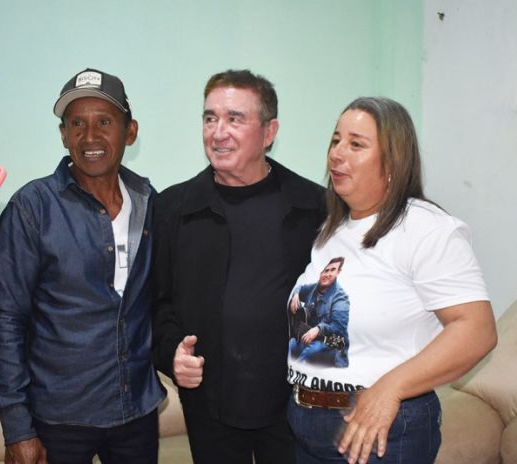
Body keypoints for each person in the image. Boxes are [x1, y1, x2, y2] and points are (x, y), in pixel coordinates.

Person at [286, 97, 498, 464]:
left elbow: (477, 331)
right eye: (335, 140)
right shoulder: (332, 230)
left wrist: (390, 388)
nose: (337, 153)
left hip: (377, 430)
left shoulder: (427, 229)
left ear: (392, 162)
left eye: (356, 144)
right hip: (307, 424)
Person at [152, 69, 326, 464]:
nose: (218, 133)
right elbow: (156, 304)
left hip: (294, 406)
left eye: (234, 119)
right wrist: (171, 354)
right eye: (210, 118)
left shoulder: (315, 207)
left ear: (269, 132)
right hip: (209, 407)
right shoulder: (173, 208)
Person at [0, 68, 165, 464]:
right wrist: (17, 426)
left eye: (104, 122)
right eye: (76, 124)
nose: (90, 137)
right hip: (58, 420)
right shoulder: (31, 208)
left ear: (130, 132)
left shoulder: (149, 201)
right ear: (63, 134)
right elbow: (6, 319)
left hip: (136, 412)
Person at [288, 257, 350, 367]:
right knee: (292, 343)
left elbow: (339, 327)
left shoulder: (340, 298)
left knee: (309, 352)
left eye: (332, 270)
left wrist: (319, 329)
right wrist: (296, 294)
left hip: (329, 345)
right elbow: (301, 287)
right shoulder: (314, 288)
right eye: (325, 270)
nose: (328, 274)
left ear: (338, 272)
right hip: (310, 338)